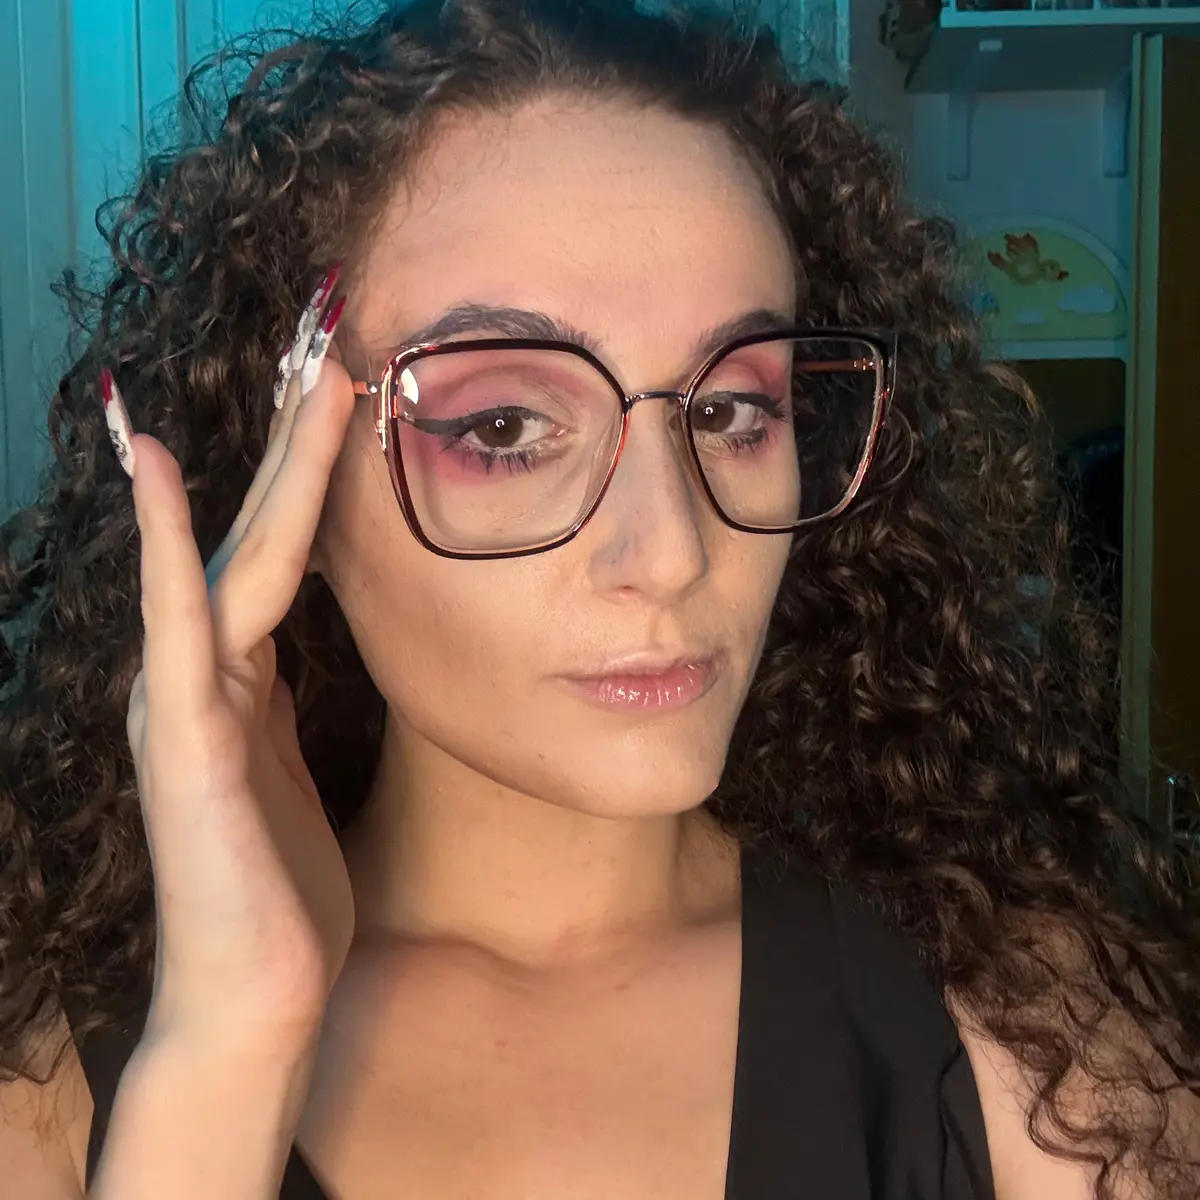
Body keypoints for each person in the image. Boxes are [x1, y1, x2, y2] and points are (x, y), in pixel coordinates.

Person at [0, 0, 1197, 1196]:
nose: (670, 551)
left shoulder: (1045, 1048)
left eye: (731, 411)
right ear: (289, 486)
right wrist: (227, 1059)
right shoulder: (50, 1105)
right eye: (504, 428)